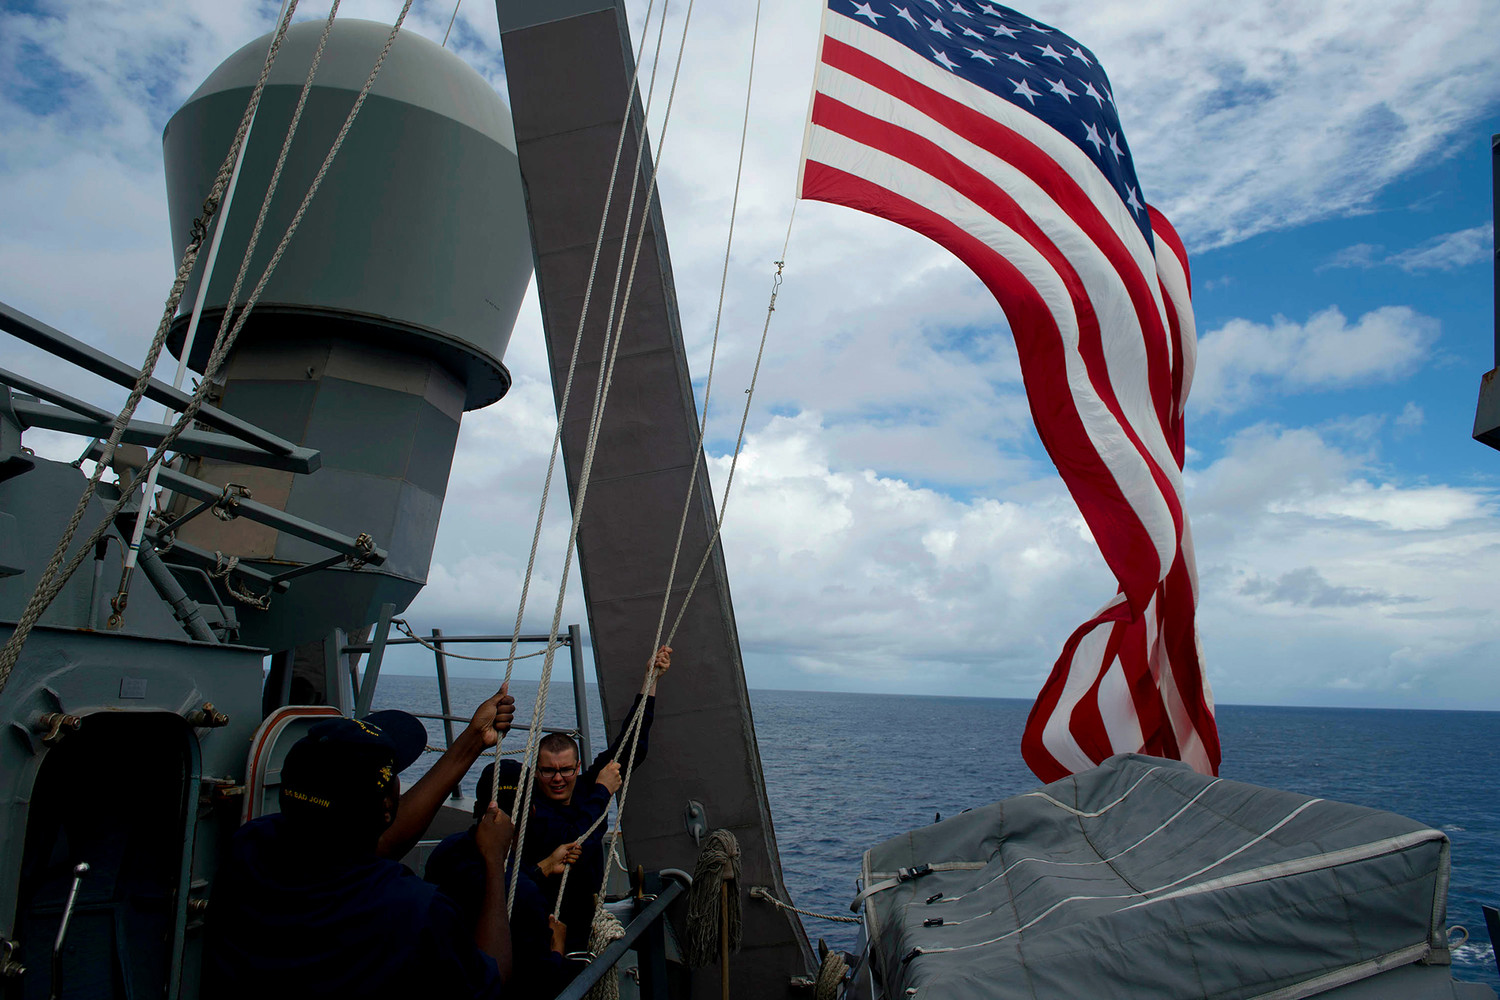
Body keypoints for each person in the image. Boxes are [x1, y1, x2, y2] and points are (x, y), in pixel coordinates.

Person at [204, 686, 516, 999]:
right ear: (384, 809)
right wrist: (492, 859)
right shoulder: (416, 911)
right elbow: (491, 981)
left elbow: (367, 845)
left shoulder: (250, 844)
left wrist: (473, 739)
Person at [524, 646, 672, 951]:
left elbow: (631, 747)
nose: (558, 778)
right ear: (536, 771)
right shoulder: (532, 809)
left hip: (583, 917)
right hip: (541, 923)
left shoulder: (584, 787)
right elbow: (573, 841)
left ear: (577, 767)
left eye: (566, 770)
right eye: (548, 771)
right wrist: (604, 791)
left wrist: (650, 679)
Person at [424, 759, 582, 996]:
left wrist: (541, 869)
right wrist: (557, 951)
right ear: (532, 812)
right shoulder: (526, 895)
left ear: (478, 807)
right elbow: (542, 984)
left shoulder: (445, 851)